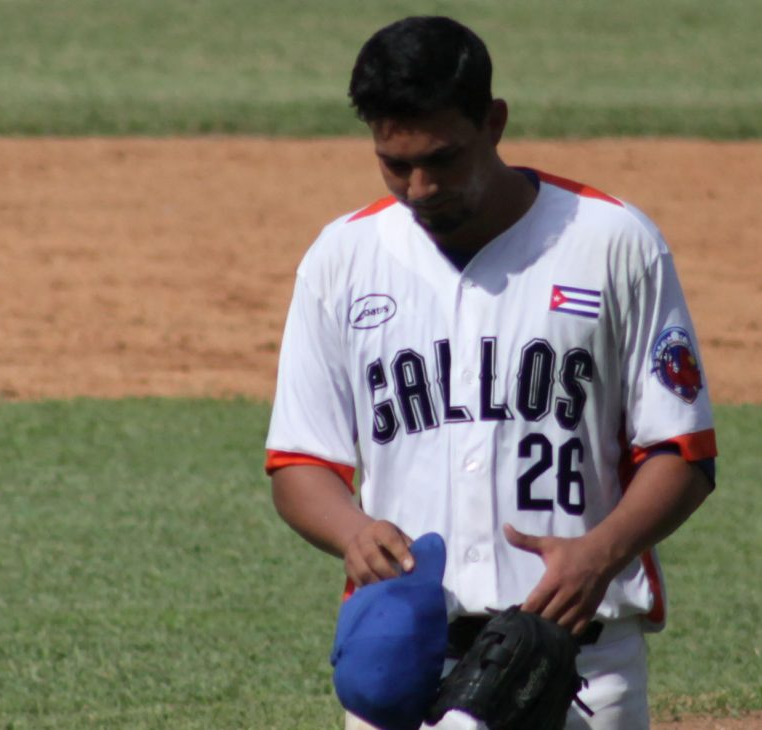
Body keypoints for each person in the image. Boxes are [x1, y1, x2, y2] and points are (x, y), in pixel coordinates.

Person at [265, 15, 717, 730]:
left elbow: (682, 451)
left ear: (494, 122)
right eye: (394, 162)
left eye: (442, 160)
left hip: (577, 669)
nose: (418, 188)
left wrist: (600, 553)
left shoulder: (611, 242)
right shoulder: (341, 260)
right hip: (408, 665)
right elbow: (298, 462)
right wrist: (351, 531)